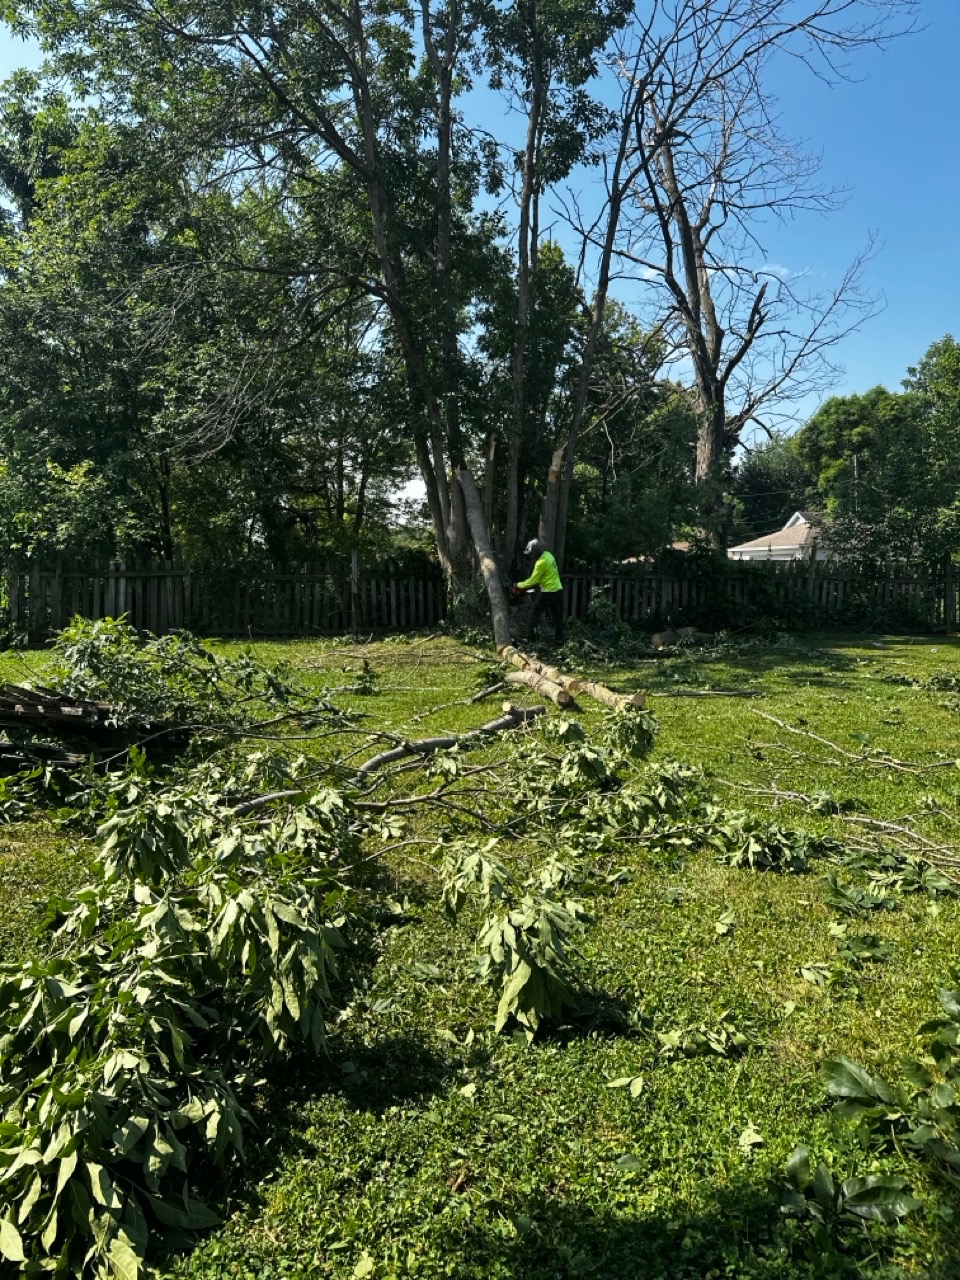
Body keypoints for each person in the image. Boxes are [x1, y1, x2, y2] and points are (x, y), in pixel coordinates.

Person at [513, 538, 564, 646]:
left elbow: (533, 581)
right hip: (558, 590)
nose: (531, 555)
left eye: (532, 553)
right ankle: (559, 640)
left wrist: (518, 585)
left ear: (536, 551)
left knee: (534, 612)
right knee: (557, 617)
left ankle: (531, 638)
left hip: (549, 592)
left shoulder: (541, 562)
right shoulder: (549, 555)